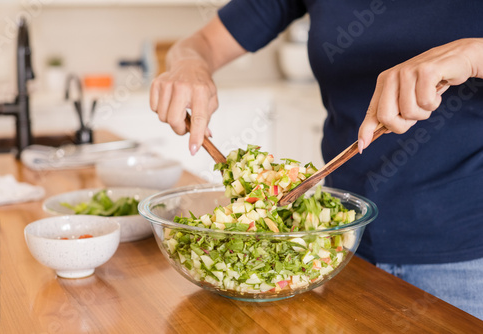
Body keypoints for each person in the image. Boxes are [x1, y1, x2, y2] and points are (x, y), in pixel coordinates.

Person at [149, 0, 483, 319]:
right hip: (337, 249)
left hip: (466, 258)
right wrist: (187, 63)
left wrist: (472, 54)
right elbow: (203, 42)